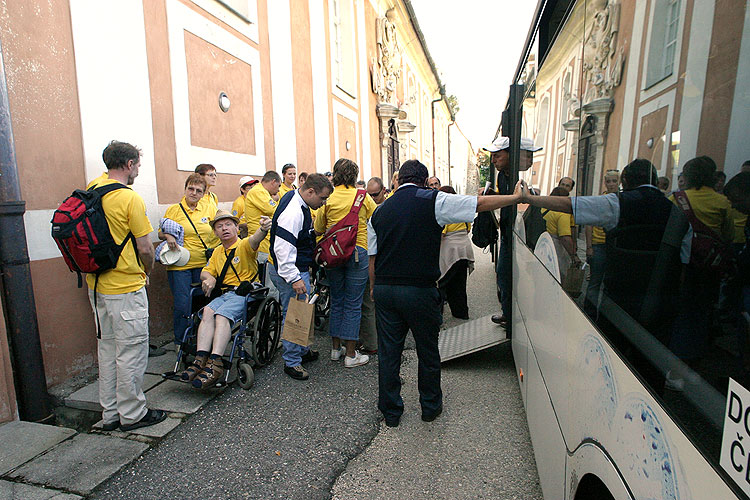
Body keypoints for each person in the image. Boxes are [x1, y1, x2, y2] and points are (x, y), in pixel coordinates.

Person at [368, 159, 524, 427]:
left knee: (388, 353)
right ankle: (430, 407)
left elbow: (372, 256)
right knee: (428, 350)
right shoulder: (433, 200)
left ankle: (391, 412)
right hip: (419, 290)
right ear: (423, 179)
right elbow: (479, 204)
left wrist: (374, 288)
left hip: (385, 288)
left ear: (398, 180)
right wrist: (516, 197)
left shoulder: (379, 212)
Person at [87, 140, 165, 432]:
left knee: (107, 350)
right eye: (138, 166)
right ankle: (132, 414)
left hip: (96, 284)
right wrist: (148, 269)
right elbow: (146, 247)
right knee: (130, 351)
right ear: (129, 164)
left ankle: (110, 414)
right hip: (125, 287)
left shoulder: (92, 188)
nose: (137, 172)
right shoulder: (129, 198)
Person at [179, 210, 271, 389]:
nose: (224, 229)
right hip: (227, 294)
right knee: (206, 311)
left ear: (237, 227)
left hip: (248, 293)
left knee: (221, 315)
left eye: (228, 224)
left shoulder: (244, 245)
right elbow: (206, 271)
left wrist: (263, 229)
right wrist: (209, 278)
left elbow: (255, 239)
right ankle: (200, 358)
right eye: (219, 226)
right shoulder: (217, 252)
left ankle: (215, 363)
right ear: (215, 232)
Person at [269, 174, 334, 380]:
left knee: (301, 313)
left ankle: (301, 352)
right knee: (295, 315)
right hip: (292, 271)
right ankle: (292, 362)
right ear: (310, 192)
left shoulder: (296, 201)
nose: (323, 204)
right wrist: (294, 278)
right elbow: (283, 248)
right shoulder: (294, 212)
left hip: (294, 268)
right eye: (322, 199)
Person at [314, 159, 376, 367]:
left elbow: (319, 227)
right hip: (357, 252)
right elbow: (375, 217)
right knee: (353, 303)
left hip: (333, 254)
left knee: (337, 300)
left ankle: (335, 349)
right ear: (355, 175)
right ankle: (351, 355)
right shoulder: (362, 196)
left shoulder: (328, 198)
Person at [483, 136, 541, 327]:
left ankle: (519, 314)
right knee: (504, 274)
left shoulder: (521, 177)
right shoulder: (503, 175)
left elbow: (523, 202)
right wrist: (495, 197)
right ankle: (508, 313)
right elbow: (510, 198)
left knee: (520, 277)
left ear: (513, 154)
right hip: (509, 233)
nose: (493, 160)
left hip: (524, 234)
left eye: (497, 156)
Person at [159, 174, 219, 344]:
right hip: (179, 266)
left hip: (203, 266)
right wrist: (168, 236)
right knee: (182, 304)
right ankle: (181, 342)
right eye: (190, 189)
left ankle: (201, 340)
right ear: (185, 189)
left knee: (202, 303)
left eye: (198, 191)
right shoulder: (174, 209)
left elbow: (217, 231)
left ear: (203, 194)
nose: (194, 193)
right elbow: (160, 232)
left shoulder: (209, 209)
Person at [584, 169, 619, 316]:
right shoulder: (600, 200)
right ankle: (589, 314)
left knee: (611, 283)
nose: (611, 184)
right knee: (595, 282)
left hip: (615, 247)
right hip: (599, 245)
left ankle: (606, 315)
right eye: (608, 181)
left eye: (614, 181)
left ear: (619, 182)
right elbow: (589, 224)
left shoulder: (622, 200)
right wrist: (589, 246)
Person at [438, 186, 474, 320]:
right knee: (459, 283)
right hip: (465, 249)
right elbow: (468, 229)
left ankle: (438, 316)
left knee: (441, 282)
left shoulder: (446, 213)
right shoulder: (462, 211)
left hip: (450, 251)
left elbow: (442, 234)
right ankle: (461, 312)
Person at [543, 187, 579, 280]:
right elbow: (565, 237)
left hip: (543, 243)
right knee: (558, 275)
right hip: (556, 247)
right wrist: (574, 255)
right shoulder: (563, 213)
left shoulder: (544, 207)